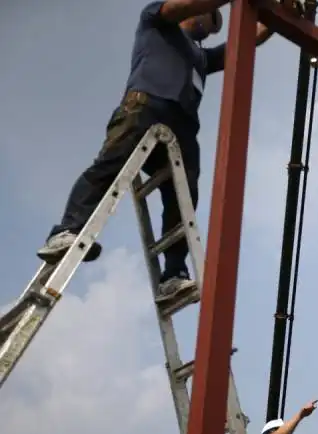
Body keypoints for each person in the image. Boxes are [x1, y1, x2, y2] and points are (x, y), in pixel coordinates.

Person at [36, 0, 273, 304]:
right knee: (109, 167)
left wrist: (277, 22)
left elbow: (242, 45)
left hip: (183, 128)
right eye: (211, 16)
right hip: (145, 106)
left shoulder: (200, 57)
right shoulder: (156, 21)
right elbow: (182, 6)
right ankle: (66, 231)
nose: (211, 26)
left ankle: (173, 276)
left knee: (183, 200)